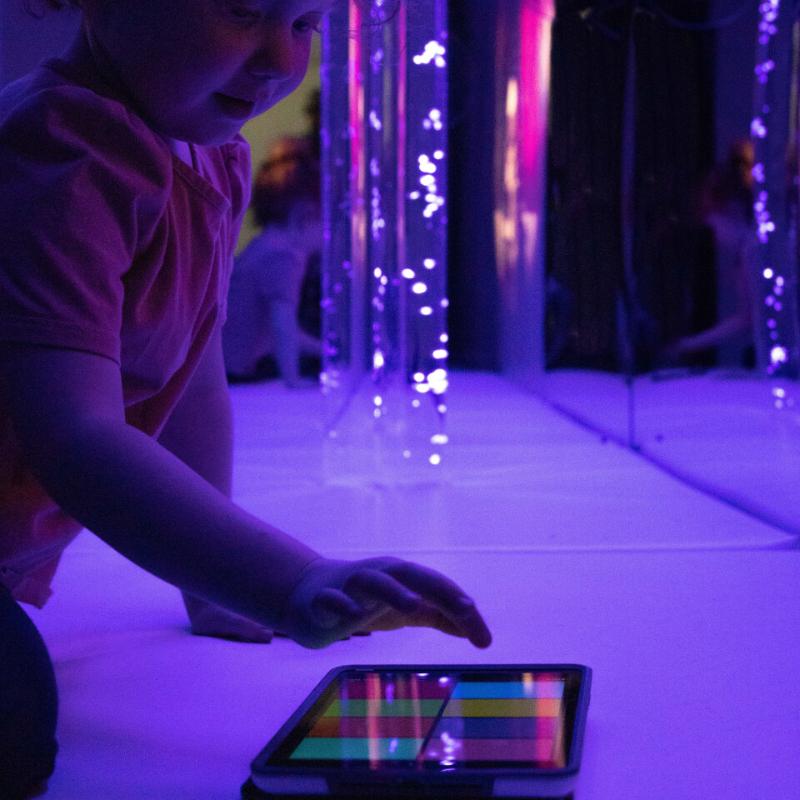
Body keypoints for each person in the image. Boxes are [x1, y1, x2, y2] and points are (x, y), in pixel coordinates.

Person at [0, 2, 492, 797]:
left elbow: (189, 367)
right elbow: (75, 430)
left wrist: (213, 584)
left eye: (304, 25)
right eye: (242, 12)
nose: (278, 57)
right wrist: (285, 579)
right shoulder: (65, 151)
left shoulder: (210, 155)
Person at [223, 136, 323, 387]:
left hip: (230, 366)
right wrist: (293, 380)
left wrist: (326, 350)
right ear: (306, 215)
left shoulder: (264, 246)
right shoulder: (285, 256)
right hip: (240, 372)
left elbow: (278, 328)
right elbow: (283, 326)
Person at [665, 140, 757, 367]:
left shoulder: (751, 251)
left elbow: (747, 319)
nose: (715, 240)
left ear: (732, 211)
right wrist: (687, 344)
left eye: (713, 227)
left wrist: (687, 344)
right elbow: (747, 319)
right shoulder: (749, 251)